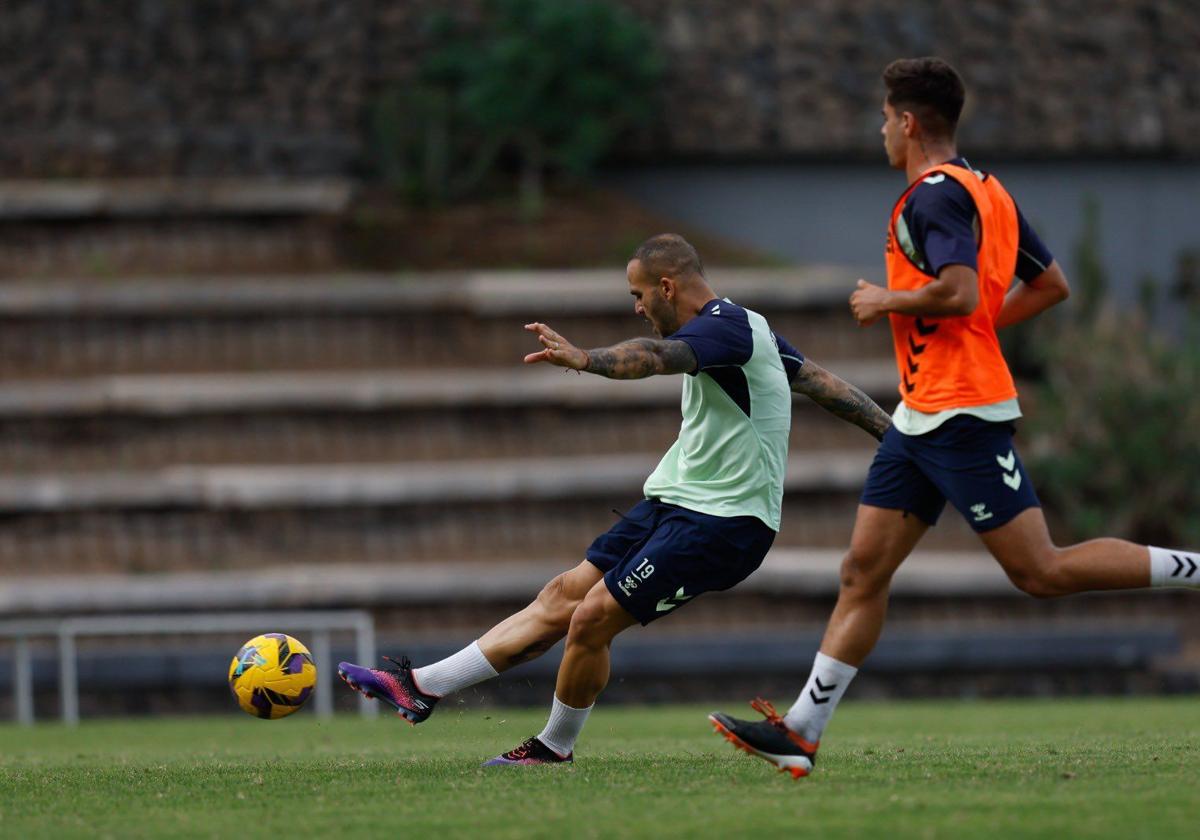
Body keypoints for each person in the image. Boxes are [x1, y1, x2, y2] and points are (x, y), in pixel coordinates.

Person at [709, 56, 1200, 780]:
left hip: (961, 413)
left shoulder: (930, 198)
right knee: (862, 571)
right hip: (922, 414)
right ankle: (802, 734)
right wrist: (969, 332)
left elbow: (960, 291)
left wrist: (888, 301)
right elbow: (1051, 284)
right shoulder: (986, 188)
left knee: (1041, 571)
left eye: (884, 118)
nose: (880, 131)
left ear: (907, 122)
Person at [338, 233, 892, 765]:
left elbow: (653, 355)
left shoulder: (726, 329)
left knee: (591, 619)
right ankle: (418, 688)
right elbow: (822, 384)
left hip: (723, 523)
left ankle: (554, 747)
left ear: (668, 287)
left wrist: (587, 360)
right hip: (673, 504)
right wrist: (898, 441)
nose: (637, 307)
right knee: (562, 597)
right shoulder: (747, 330)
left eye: (638, 294)